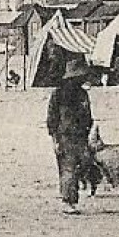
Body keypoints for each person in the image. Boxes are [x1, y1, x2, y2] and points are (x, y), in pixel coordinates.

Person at [46, 58, 94, 215]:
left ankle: (75, 190)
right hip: (64, 137)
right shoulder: (58, 94)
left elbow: (88, 117)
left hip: (81, 137)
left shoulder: (82, 95)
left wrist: (88, 135)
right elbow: (52, 119)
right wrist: (55, 140)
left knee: (85, 163)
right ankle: (68, 201)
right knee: (68, 168)